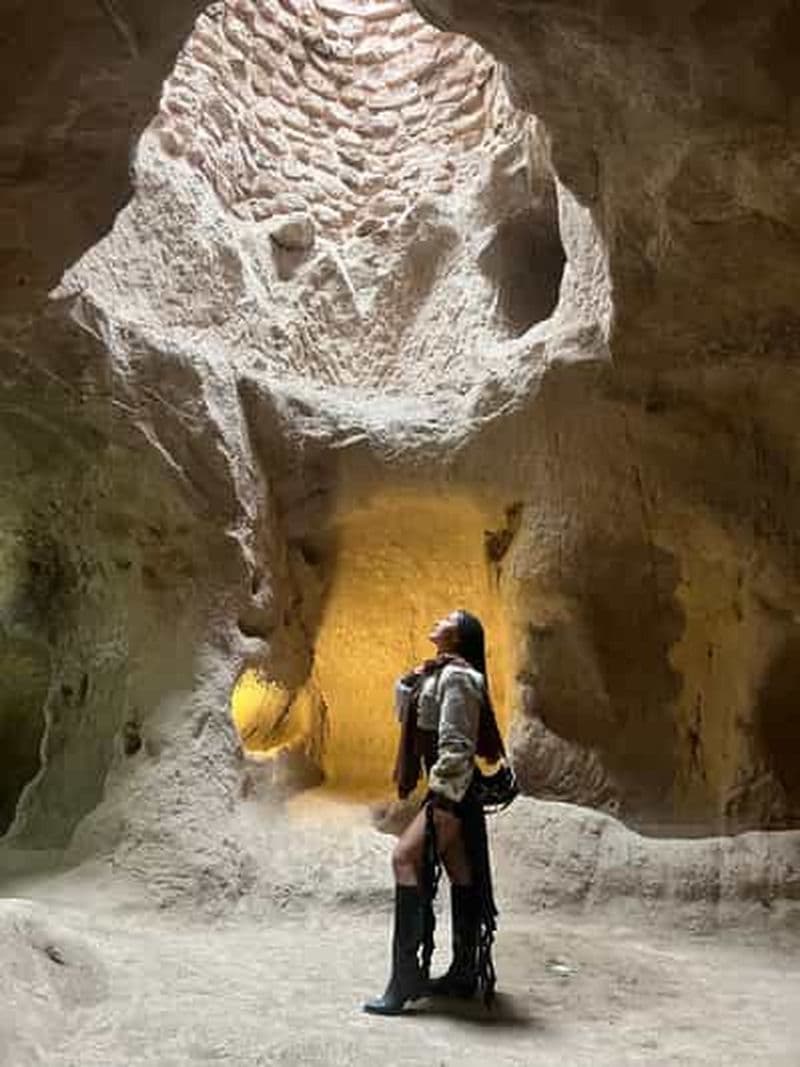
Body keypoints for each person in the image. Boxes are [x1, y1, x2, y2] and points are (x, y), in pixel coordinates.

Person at [363, 609, 505, 1016]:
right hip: (452, 792)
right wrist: (415, 674)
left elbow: (457, 744)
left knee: (404, 858)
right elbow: (405, 708)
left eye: (448, 618)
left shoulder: (459, 677)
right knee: (462, 873)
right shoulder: (437, 672)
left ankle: (404, 978)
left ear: (459, 636)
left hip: (453, 793)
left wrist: (442, 799)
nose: (439, 620)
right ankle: (463, 972)